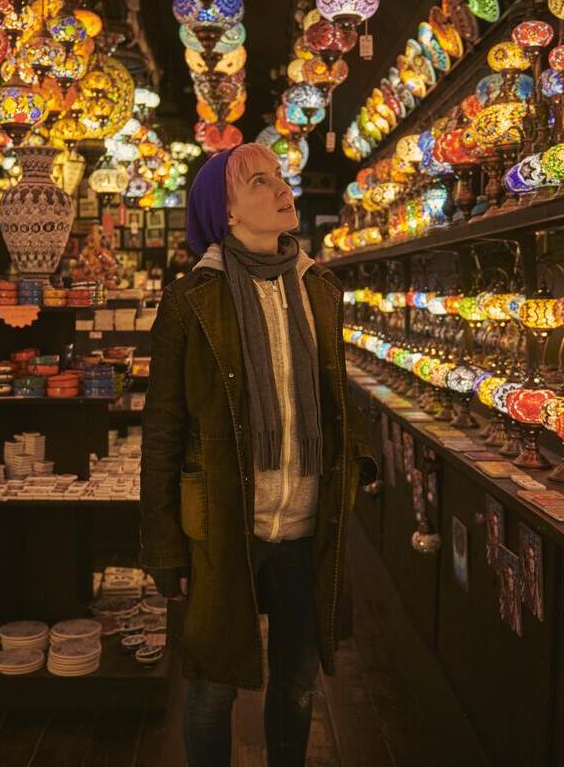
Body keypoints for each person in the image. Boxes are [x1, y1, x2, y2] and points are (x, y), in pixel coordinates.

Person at [141, 143, 376, 767]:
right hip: (226, 523)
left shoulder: (319, 288)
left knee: (297, 688)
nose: (282, 188)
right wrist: (165, 547)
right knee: (213, 688)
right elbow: (162, 428)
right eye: (260, 181)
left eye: (281, 177)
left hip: (307, 520)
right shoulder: (192, 299)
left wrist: (355, 465)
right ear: (226, 215)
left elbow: (330, 399)